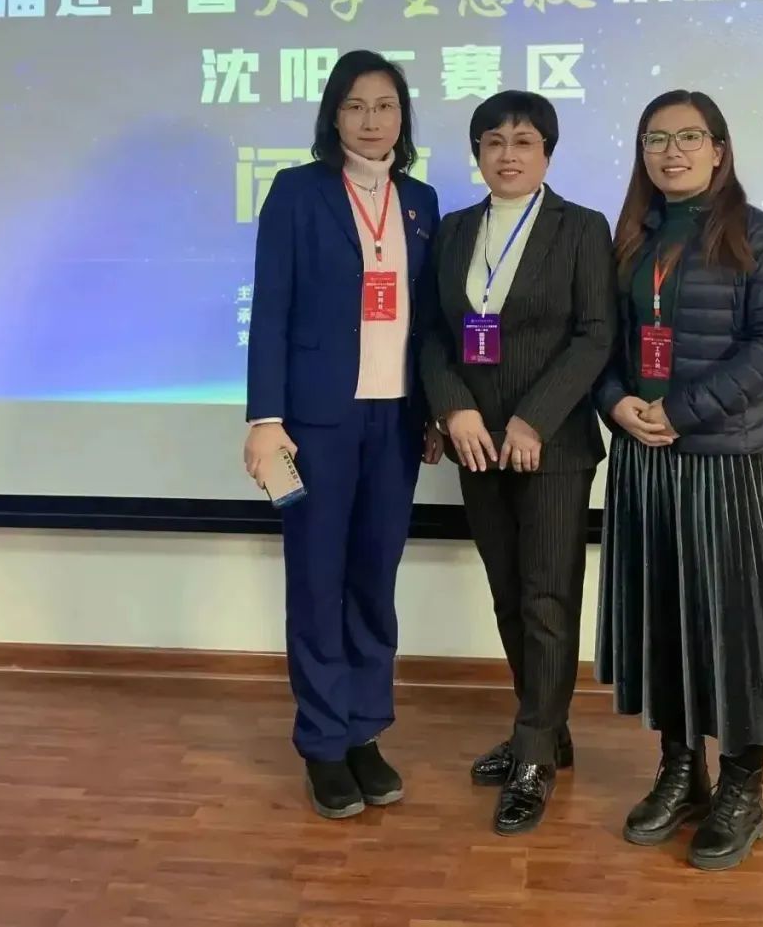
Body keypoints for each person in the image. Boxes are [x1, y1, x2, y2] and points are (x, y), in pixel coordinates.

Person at [596, 89, 763, 872]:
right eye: (657, 138)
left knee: (732, 624)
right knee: (663, 619)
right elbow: (604, 342)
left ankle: (743, 787)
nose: (672, 151)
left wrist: (680, 411)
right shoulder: (631, 237)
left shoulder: (754, 232)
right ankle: (683, 770)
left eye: (688, 136)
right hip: (642, 458)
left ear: (719, 148)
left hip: (720, 458)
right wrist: (616, 401)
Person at [243, 49, 441, 822]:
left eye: (385, 105)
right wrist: (265, 419)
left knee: (373, 580)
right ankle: (324, 742)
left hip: (395, 420)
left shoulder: (419, 200)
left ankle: (366, 729)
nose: (370, 119)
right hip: (316, 423)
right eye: (355, 105)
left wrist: (432, 409)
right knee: (318, 581)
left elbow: (429, 320)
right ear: (333, 114)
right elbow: (271, 310)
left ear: (402, 116)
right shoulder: (298, 192)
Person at [421, 90, 617, 837]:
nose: (508, 154)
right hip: (477, 443)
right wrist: (454, 409)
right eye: (493, 141)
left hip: (552, 445)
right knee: (509, 594)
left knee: (547, 598)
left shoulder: (582, 228)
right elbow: (434, 335)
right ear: (477, 152)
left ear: (547, 153)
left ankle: (533, 752)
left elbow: (595, 335)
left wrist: (536, 418)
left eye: (524, 141)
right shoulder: (454, 230)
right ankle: (545, 727)